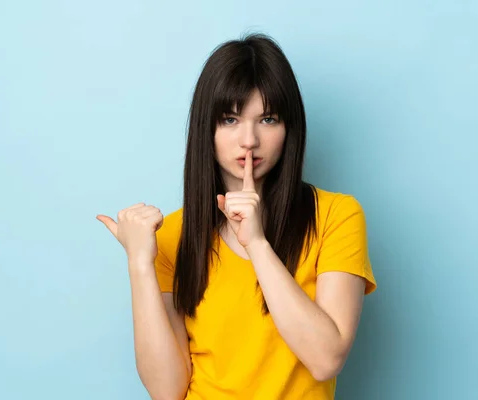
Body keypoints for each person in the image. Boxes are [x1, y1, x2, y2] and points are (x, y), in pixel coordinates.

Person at [96, 33, 377, 400]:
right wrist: (139, 264)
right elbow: (167, 390)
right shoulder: (172, 235)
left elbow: (326, 359)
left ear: (289, 128)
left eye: (268, 119)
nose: (249, 140)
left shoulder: (336, 216)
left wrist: (257, 243)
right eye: (230, 119)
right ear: (207, 130)